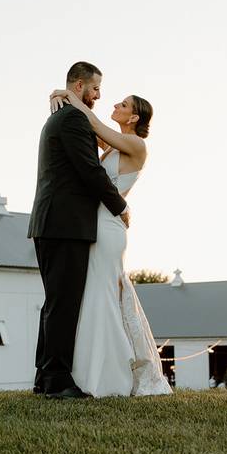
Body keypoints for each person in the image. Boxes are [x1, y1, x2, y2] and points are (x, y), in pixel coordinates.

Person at [48, 87, 172, 397]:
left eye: (123, 104)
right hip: (98, 225)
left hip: (109, 227)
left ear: (134, 116)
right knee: (97, 294)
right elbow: (90, 133)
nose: (114, 104)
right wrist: (57, 96)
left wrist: (68, 94)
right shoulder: (116, 146)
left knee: (102, 295)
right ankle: (94, 370)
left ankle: (109, 376)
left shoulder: (136, 144)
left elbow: (93, 123)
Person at [28, 62, 129, 400]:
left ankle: (45, 376)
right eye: (96, 88)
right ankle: (56, 380)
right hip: (65, 224)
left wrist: (64, 96)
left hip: (53, 222)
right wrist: (121, 206)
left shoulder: (64, 113)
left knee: (55, 302)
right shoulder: (71, 118)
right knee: (64, 303)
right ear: (81, 84)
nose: (99, 95)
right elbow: (89, 171)